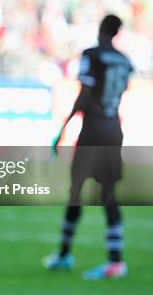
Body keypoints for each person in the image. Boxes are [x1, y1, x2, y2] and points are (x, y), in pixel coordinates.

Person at [45, 15, 133, 279]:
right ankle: (116, 261)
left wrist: (64, 128)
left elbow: (85, 94)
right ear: (117, 32)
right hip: (113, 130)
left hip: (93, 129)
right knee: (109, 194)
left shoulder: (92, 55)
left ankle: (63, 254)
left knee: (76, 189)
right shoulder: (125, 61)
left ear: (100, 29)